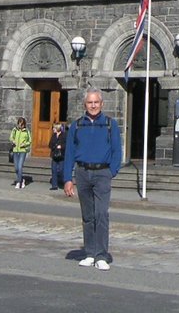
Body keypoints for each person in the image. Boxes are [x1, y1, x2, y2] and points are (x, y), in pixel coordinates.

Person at [63, 89, 122, 271]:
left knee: (101, 214)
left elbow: (117, 151)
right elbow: (69, 153)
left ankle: (101, 255)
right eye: (90, 102)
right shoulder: (77, 126)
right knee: (88, 216)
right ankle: (89, 253)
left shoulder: (110, 125)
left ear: (102, 104)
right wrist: (67, 179)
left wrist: (110, 172)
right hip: (82, 172)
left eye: (96, 102)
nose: (93, 105)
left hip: (102, 173)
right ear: (85, 105)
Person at [9, 117, 31, 189]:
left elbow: (30, 141)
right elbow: (11, 137)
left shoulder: (26, 131)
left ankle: (19, 182)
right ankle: (21, 179)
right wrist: (13, 141)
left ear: (24, 125)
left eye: (21, 125)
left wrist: (24, 144)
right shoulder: (15, 130)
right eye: (19, 124)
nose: (20, 126)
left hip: (22, 151)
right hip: (15, 150)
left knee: (20, 166)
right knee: (16, 168)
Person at [49, 122, 66, 190]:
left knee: (61, 170)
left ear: (57, 128)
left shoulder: (64, 135)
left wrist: (61, 146)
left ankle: (62, 181)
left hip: (61, 155)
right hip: (54, 155)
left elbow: (66, 144)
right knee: (54, 170)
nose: (53, 129)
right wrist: (55, 146)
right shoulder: (53, 136)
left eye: (54, 127)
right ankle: (54, 185)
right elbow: (50, 144)